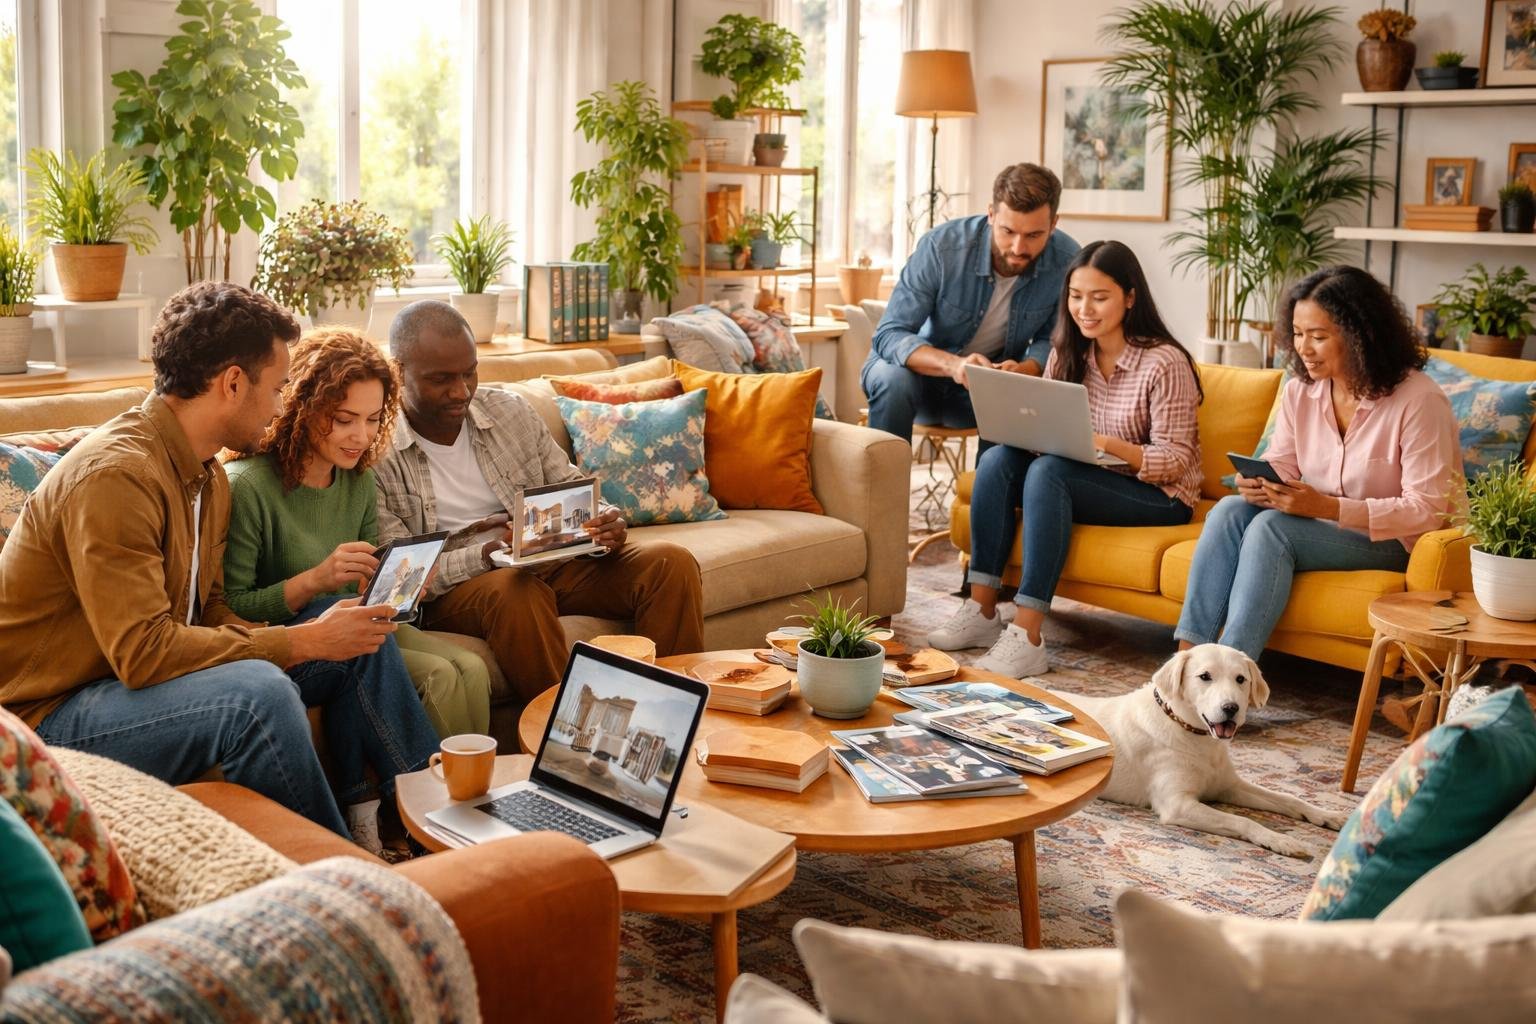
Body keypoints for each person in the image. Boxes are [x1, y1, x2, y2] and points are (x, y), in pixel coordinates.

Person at [0, 283, 440, 852]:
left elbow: (210, 614)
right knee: (254, 694)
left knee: (355, 633)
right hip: (48, 716)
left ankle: (441, 826)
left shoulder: (204, 473)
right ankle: (342, 877)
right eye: (279, 388)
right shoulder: (117, 476)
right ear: (233, 383)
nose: (284, 405)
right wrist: (296, 644)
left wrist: (319, 633)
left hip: (126, 687)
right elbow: (144, 653)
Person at [375, 300, 705, 702]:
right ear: (398, 371)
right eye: (441, 379)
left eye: (469, 372)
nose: (461, 391)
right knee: (517, 589)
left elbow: (570, 484)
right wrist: (487, 554)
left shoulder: (509, 412)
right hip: (462, 589)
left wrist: (603, 520)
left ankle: (672, 714)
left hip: (544, 561)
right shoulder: (377, 448)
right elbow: (401, 576)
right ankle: (562, 739)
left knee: (670, 564)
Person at [929, 240, 1204, 678]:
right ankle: (981, 611)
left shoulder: (1164, 362)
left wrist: (1103, 443)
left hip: (1160, 495)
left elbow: (1172, 461)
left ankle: (1028, 635)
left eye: (1099, 297)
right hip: (1089, 475)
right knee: (1000, 460)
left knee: (1050, 471)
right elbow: (1048, 434)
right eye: (1076, 296)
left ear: (1130, 298)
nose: (1085, 309)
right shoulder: (1068, 352)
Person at [1173, 265, 1463, 660]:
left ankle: (1232, 675)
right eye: (1297, 334)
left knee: (1274, 530)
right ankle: (1188, 662)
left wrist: (1327, 507)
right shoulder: (1301, 392)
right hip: (1327, 524)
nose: (1302, 348)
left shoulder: (1419, 400)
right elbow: (1284, 462)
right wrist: (1262, 483)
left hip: (1396, 541)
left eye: (1318, 336)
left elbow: (1427, 511)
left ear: (1361, 336)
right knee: (1229, 510)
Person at [222, 327, 492, 741]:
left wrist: (398, 589)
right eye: (344, 419)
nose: (361, 437)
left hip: (360, 625)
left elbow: (365, 588)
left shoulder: (359, 481)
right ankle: (423, 798)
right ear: (302, 407)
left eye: (372, 420)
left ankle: (470, 797)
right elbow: (234, 606)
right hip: (298, 638)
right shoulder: (248, 486)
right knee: (439, 675)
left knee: (472, 669)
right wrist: (315, 579)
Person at [861, 163, 1081, 444]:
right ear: (991, 214)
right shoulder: (941, 248)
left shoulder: (1068, 260)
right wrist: (954, 365)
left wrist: (1027, 369)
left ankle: (986, 488)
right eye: (1008, 231)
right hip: (913, 376)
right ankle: (882, 488)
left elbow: (1054, 338)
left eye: (1033, 236)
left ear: (1053, 224)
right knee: (893, 380)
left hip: (984, 389)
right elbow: (889, 335)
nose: (1018, 248)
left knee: (1013, 395)